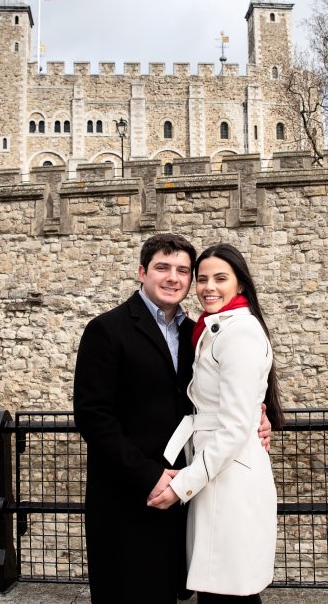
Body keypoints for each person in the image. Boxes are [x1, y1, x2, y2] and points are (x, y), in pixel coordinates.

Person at [73, 234, 272, 604]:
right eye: (163, 268)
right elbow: (92, 416)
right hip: (130, 492)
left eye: (183, 270)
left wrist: (257, 415)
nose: (174, 278)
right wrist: (148, 476)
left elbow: (213, 398)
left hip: (186, 487)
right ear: (142, 272)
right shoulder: (107, 329)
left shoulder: (196, 331)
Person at [148, 243, 283, 603]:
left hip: (228, 479)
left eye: (221, 278)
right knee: (221, 589)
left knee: (228, 590)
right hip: (217, 474)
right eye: (203, 278)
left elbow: (235, 426)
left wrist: (182, 486)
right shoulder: (217, 327)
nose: (209, 287)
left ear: (240, 285)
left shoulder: (238, 332)